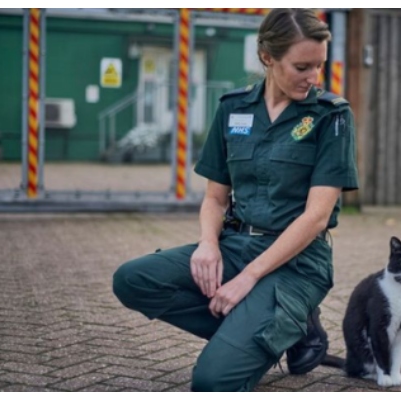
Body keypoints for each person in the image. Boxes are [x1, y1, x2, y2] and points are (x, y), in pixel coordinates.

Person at [112, 8, 358, 392]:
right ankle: (279, 332)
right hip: (236, 245)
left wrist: (248, 278)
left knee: (212, 382)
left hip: (297, 263)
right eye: (302, 67)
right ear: (268, 58)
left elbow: (316, 218)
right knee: (134, 280)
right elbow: (214, 197)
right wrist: (208, 245)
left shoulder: (331, 116)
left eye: (319, 66)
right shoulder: (233, 108)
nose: (314, 78)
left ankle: (273, 325)